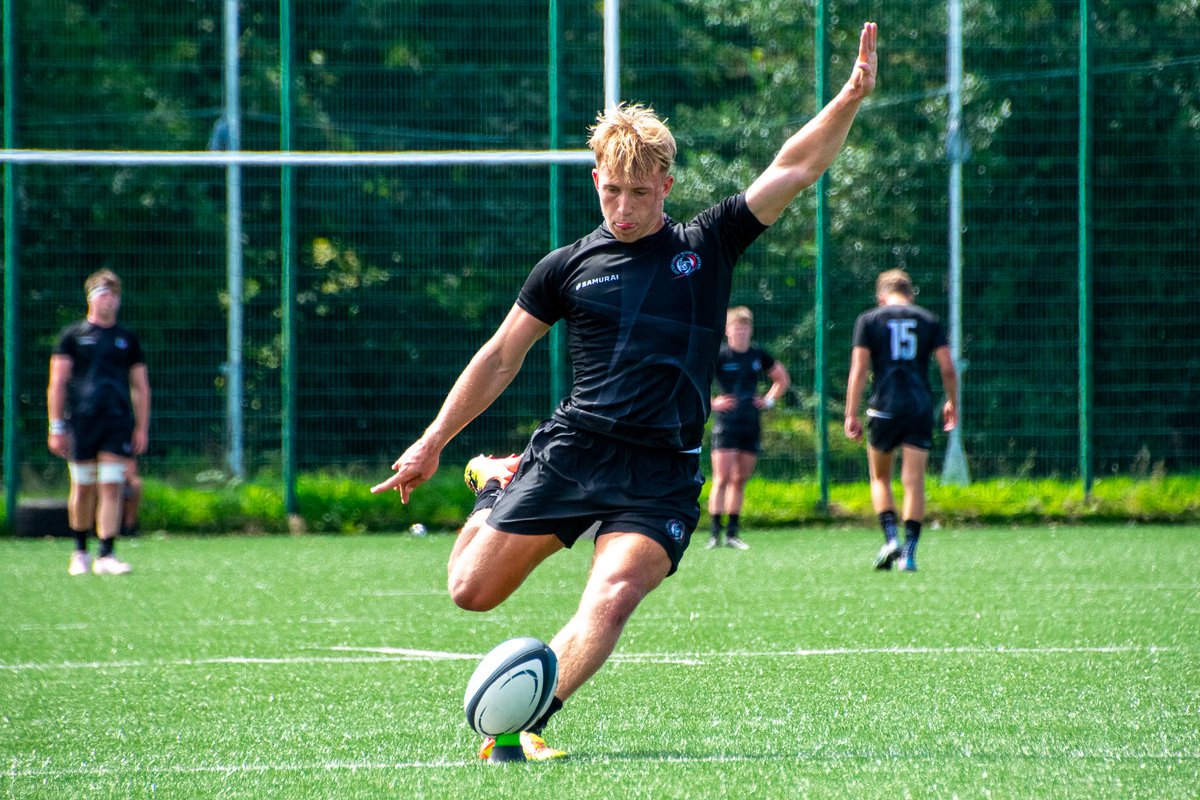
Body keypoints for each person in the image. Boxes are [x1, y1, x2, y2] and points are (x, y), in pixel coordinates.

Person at [373, 21, 877, 759]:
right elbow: (500, 356)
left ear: (666, 186)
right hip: (575, 450)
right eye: (612, 191)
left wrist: (850, 98)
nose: (625, 208)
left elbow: (794, 169)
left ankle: (529, 722)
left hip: (661, 471)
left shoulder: (707, 245)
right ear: (595, 181)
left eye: (640, 193)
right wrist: (432, 443)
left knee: (611, 597)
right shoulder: (566, 267)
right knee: (470, 591)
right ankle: (494, 481)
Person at [843, 268, 957, 572]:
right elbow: (947, 367)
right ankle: (909, 553)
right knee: (914, 482)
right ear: (911, 294)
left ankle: (890, 537)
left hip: (884, 408)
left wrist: (850, 413)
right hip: (919, 407)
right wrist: (952, 403)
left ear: (881, 296)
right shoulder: (929, 320)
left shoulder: (868, 320)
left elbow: (858, 370)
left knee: (880, 477)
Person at [47, 269, 151, 575]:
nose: (111, 300)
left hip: (116, 421)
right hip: (80, 422)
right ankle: (79, 551)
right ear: (91, 298)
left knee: (111, 485)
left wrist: (141, 426)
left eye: (115, 294)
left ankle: (106, 554)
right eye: (104, 293)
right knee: (82, 487)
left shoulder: (126, 339)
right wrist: (56, 425)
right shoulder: (72, 337)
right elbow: (57, 382)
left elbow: (141, 386)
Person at [707, 306, 790, 550]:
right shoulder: (720, 356)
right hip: (725, 425)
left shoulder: (758, 355)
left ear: (750, 330)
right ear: (727, 330)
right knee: (721, 478)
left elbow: (781, 378)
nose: (741, 331)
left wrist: (769, 400)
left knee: (740, 479)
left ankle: (733, 533)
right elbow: (698, 379)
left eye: (745, 327)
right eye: (737, 327)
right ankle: (714, 534)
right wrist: (712, 403)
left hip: (750, 422)